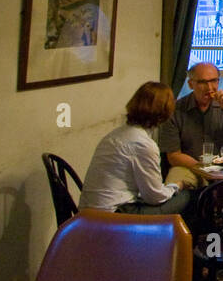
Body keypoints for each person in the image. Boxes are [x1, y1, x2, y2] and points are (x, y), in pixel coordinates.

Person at [81, 81, 197, 215]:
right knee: (189, 197)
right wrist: (177, 186)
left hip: (89, 211)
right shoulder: (143, 144)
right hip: (116, 214)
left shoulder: (114, 135)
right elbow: (154, 197)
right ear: (165, 112)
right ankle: (177, 235)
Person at [159, 61, 223, 185]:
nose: (209, 88)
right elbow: (174, 156)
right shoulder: (176, 109)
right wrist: (204, 169)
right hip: (191, 166)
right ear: (191, 84)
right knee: (174, 181)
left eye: (213, 81)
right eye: (202, 82)